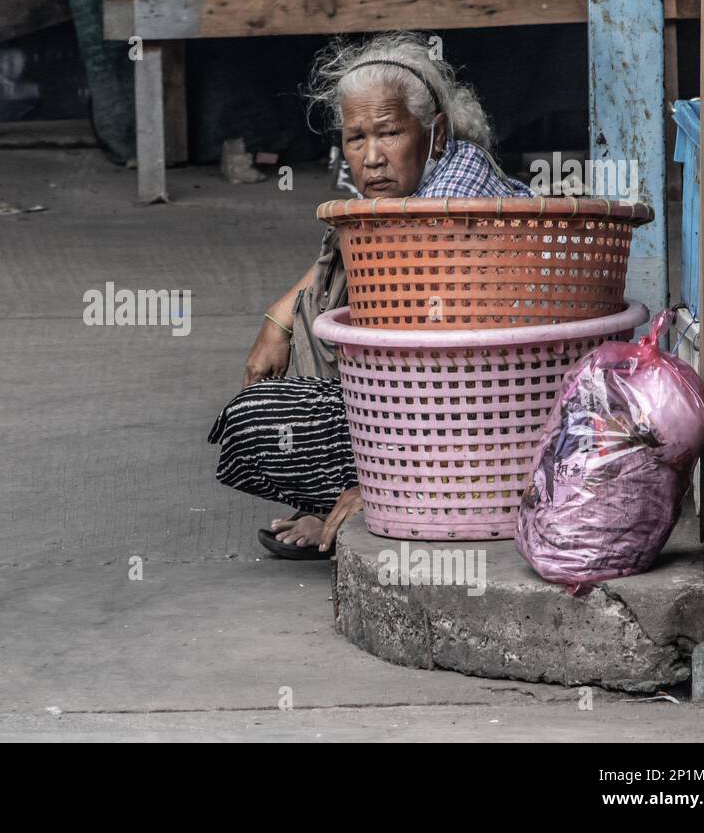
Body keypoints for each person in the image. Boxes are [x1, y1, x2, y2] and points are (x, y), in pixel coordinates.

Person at [208, 32, 535, 559]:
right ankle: (364, 490)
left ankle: (391, 496)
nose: (373, 157)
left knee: (255, 422)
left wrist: (383, 486)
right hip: (452, 421)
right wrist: (280, 316)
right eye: (356, 138)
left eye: (389, 133)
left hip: (480, 433)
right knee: (337, 261)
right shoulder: (425, 185)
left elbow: (444, 375)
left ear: (436, 133)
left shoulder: (452, 203)